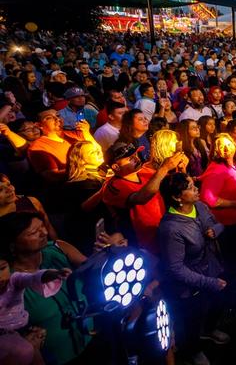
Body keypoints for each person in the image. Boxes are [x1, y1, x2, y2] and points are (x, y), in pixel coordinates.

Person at [0, 212, 92, 364]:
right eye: (33, 232)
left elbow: (91, 270)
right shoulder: (6, 281)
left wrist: (105, 252)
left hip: (90, 338)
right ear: (12, 245)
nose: (44, 233)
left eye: (42, 227)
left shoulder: (58, 248)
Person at [158, 172, 227, 365]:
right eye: (189, 187)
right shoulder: (171, 228)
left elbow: (217, 223)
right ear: (176, 197)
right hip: (191, 286)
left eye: (193, 183)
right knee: (192, 321)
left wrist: (216, 230)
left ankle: (209, 330)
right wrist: (209, 283)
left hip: (213, 267)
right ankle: (192, 351)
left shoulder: (199, 206)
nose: (196, 187)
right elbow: (176, 269)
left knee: (216, 305)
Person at [102, 142, 184, 254]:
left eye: (136, 154)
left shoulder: (145, 171)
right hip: (141, 244)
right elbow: (141, 198)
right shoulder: (113, 186)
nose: (136, 158)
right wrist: (164, 168)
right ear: (116, 166)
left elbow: (173, 186)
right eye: (130, 158)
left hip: (164, 232)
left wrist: (181, 168)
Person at [0, 253, 70, 365]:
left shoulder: (14, 280)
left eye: (2, 268)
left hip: (23, 327)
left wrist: (55, 274)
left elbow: (33, 278)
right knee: (27, 351)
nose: (0, 276)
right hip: (4, 336)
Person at [198, 133, 236, 261]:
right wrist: (235, 203)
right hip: (227, 225)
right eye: (221, 146)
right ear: (215, 151)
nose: (226, 148)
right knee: (233, 259)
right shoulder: (216, 170)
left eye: (228, 144)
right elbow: (208, 199)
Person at [27, 109, 94, 183]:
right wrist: (84, 168)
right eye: (49, 118)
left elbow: (97, 149)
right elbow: (52, 176)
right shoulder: (38, 148)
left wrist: (87, 132)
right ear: (39, 125)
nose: (57, 119)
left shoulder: (72, 135)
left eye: (58, 115)